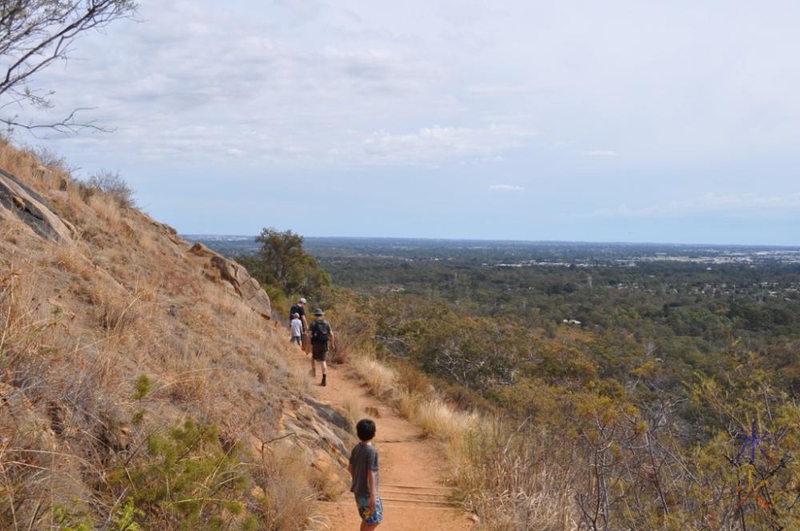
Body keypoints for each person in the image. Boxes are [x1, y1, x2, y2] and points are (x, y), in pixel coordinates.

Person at [348, 418, 382, 530]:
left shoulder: (356, 448)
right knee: (374, 520)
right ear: (374, 434)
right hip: (368, 494)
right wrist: (373, 495)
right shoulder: (371, 451)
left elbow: (350, 467)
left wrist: (357, 481)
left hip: (358, 492)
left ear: (357, 433)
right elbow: (371, 473)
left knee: (366, 518)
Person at [309, 307, 335, 386]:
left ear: (315, 315)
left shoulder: (313, 323)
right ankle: (324, 378)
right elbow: (331, 334)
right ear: (321, 314)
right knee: (323, 361)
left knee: (313, 357)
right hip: (324, 343)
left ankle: (313, 371)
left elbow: (309, 335)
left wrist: (307, 346)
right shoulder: (326, 323)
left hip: (316, 343)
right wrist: (332, 344)